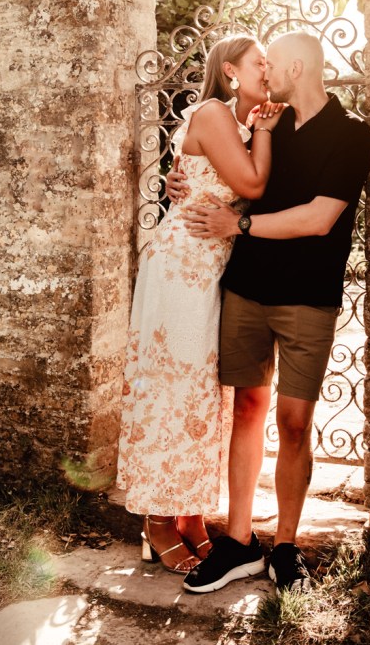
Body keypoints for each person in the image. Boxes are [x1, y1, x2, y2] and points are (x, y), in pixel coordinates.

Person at [173, 31, 370, 597]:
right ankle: (239, 543)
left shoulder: (352, 135)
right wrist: (182, 184)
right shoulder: (267, 123)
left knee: (293, 422)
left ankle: (284, 545)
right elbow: (223, 169)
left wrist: (238, 225)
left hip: (308, 296)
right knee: (245, 412)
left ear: (296, 66)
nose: (266, 73)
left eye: (272, 64)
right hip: (247, 289)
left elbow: (319, 218)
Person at [115, 34, 283, 574]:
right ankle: (156, 519)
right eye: (260, 62)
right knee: (172, 388)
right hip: (183, 264)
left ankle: (190, 515)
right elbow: (253, 183)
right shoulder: (213, 113)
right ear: (231, 70)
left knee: (204, 395)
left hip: (212, 269)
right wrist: (261, 131)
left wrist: (255, 129)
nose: (268, 69)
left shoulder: (233, 124)